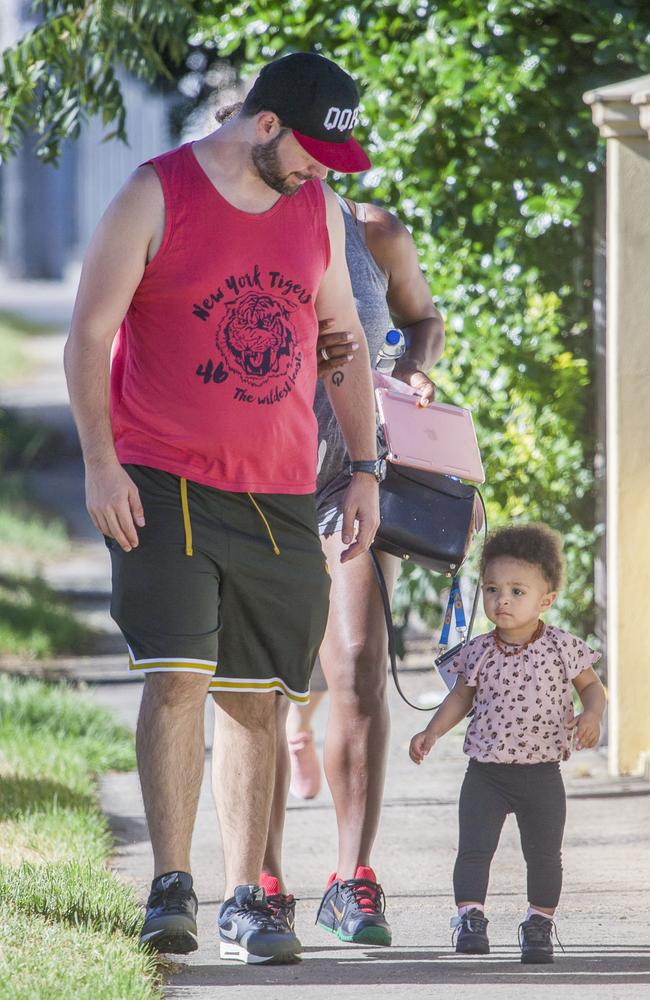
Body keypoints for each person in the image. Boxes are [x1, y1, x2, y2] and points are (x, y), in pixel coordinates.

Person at [64, 52, 382, 965]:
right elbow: (90, 333)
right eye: (313, 150)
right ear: (267, 124)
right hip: (161, 478)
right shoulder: (155, 193)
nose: (323, 171)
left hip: (281, 488)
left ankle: (249, 895)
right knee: (176, 675)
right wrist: (98, 464)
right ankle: (172, 884)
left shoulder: (314, 209)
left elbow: (344, 342)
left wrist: (363, 466)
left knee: (255, 696)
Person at [240, 192, 444, 946]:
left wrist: (415, 373)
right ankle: (260, 878)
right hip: (253, 478)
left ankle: (351, 879)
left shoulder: (375, 230)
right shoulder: (226, 217)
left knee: (358, 661)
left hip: (356, 472)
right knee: (260, 675)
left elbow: (424, 320)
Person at [409, 523, 607, 963]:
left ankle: (539, 923)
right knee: (474, 848)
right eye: (493, 588)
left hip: (542, 775)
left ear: (546, 600)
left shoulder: (563, 648)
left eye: (518, 591)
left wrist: (591, 714)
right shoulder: (478, 650)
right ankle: (470, 917)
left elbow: (593, 687)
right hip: (485, 774)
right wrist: (432, 732)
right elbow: (460, 696)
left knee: (544, 856)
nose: (502, 599)